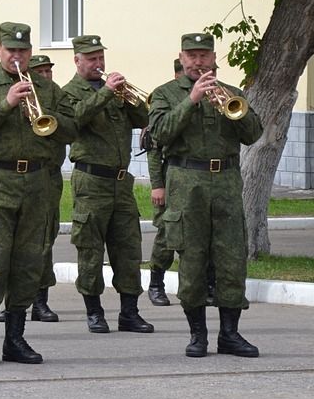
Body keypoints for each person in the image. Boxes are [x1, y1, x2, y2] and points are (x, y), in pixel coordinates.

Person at [0, 22, 76, 366]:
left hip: (38, 183)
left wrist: (49, 115)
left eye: (23, 51)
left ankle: (15, 339)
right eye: (11, 50)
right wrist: (6, 104)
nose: (17, 56)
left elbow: (71, 129)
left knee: (29, 263)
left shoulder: (48, 89)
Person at [149, 33, 263, 358]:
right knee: (193, 260)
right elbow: (159, 134)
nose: (198, 62)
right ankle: (197, 335)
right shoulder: (165, 94)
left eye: (204, 55)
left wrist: (232, 109)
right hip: (187, 184)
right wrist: (192, 100)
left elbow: (253, 134)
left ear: (214, 57)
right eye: (191, 56)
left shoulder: (233, 93)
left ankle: (230, 334)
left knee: (231, 259)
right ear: (182, 57)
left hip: (226, 182)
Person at [61, 35, 153, 335]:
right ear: (77, 61)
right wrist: (104, 94)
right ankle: (94, 311)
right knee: (90, 248)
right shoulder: (69, 93)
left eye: (101, 57)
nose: (98, 63)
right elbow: (74, 120)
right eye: (91, 59)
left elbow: (143, 117)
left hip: (120, 182)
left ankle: (129, 312)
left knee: (128, 247)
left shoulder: (116, 92)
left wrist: (128, 95)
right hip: (91, 180)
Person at [26, 55, 63, 322]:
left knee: (44, 239)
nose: (46, 75)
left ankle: (40, 301)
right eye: (40, 71)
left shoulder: (55, 95)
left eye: (49, 71)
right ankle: (10, 302)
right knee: (13, 242)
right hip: (21, 175)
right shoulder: (21, 95)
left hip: (49, 176)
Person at [145, 58, 184, 306]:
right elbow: (153, 150)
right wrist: (157, 185)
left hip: (195, 178)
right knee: (167, 233)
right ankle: (156, 283)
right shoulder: (165, 99)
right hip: (170, 176)